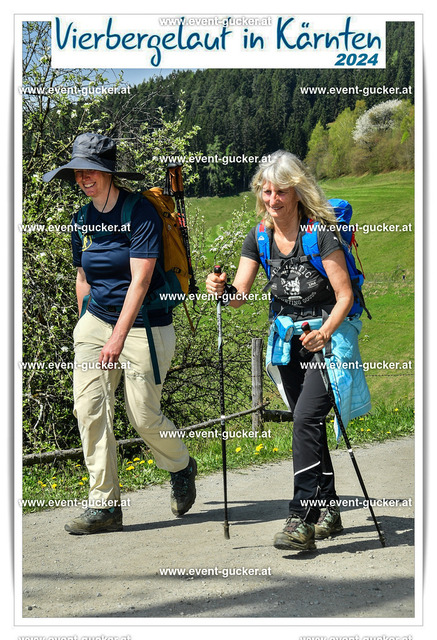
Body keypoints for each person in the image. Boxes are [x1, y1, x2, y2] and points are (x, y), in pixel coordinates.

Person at [206, 150, 370, 552]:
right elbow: (239, 296)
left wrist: (325, 332)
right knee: (305, 422)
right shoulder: (259, 237)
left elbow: (345, 296)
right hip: (288, 342)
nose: (273, 199)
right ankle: (329, 509)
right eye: (266, 192)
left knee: (306, 419)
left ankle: (301, 518)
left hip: (328, 339)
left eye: (280, 192)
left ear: (297, 192)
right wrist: (221, 290)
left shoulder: (320, 234)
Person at [42, 132, 197, 535]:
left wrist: (117, 338)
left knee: (143, 415)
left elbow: (140, 282)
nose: (83, 178)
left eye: (91, 171)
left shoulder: (139, 212)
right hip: (96, 321)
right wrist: (85, 325)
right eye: (78, 172)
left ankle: (181, 465)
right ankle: (105, 505)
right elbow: (83, 276)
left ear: (109, 173)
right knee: (89, 409)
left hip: (145, 323)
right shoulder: (81, 220)